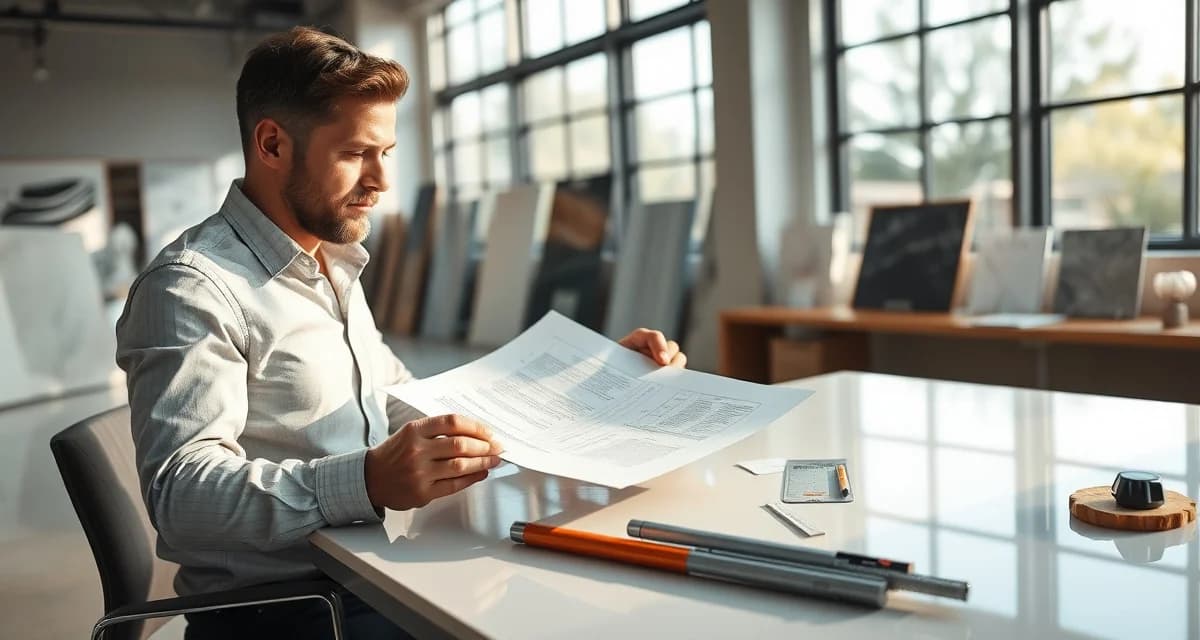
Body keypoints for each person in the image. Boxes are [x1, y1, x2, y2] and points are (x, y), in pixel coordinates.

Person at [115, 26, 687, 640]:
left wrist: (585, 382)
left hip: (369, 572)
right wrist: (363, 482)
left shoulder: (331, 262)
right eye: (356, 153)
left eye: (386, 152)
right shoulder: (191, 288)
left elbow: (394, 396)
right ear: (273, 144)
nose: (382, 181)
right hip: (290, 613)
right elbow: (180, 497)